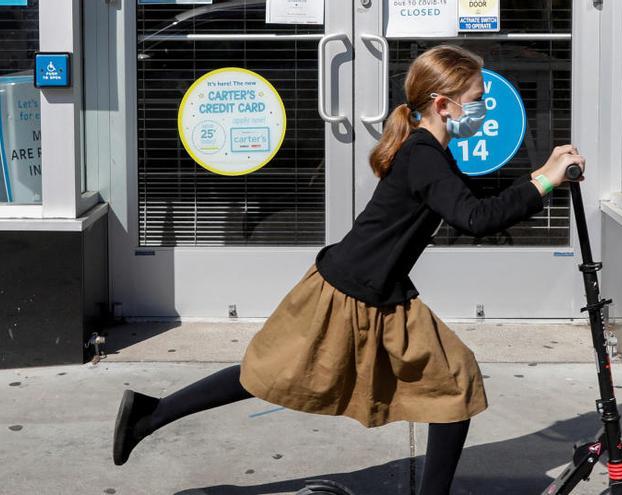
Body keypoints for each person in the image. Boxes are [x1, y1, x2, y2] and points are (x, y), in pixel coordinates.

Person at [112, 44, 586, 495]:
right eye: (477, 100)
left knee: (452, 385)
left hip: (380, 292)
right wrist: (543, 178)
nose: (483, 108)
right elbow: (476, 218)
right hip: (345, 291)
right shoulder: (423, 155)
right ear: (443, 105)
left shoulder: (430, 153)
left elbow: (474, 208)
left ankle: (149, 414)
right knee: (267, 375)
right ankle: (149, 415)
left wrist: (537, 178)